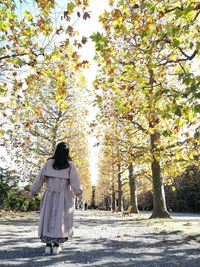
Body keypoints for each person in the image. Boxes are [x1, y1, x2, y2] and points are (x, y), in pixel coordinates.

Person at [29, 142, 82, 255]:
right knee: (60, 219)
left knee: (48, 218)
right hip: (64, 196)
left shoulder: (49, 163)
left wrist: (33, 191)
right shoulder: (70, 165)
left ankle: (48, 246)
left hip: (49, 195)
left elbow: (40, 179)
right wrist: (79, 193)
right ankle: (56, 246)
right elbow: (75, 182)